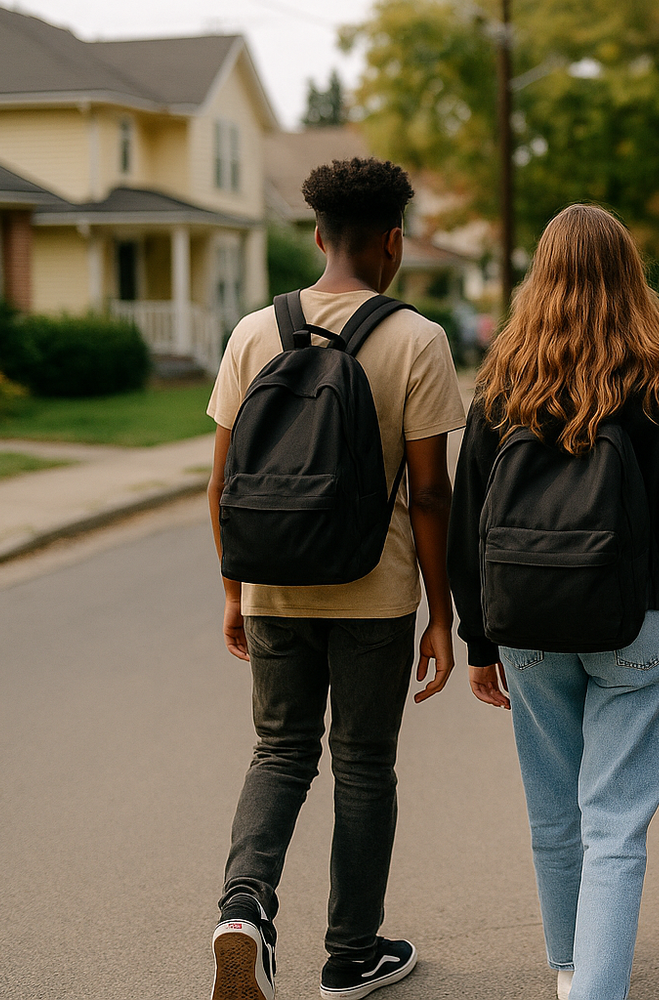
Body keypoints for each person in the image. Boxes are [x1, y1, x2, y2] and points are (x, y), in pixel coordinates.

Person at [449, 204, 659, 1000]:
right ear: (628, 277)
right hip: (636, 629)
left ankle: (571, 970)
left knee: (554, 815)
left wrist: (479, 638)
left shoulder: (503, 383)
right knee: (615, 824)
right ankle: (594, 992)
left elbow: (470, 518)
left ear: (540, 279)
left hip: (529, 629)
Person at [205, 157, 466, 1000]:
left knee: (279, 752)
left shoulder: (253, 332)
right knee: (362, 765)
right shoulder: (417, 339)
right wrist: (441, 613)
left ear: (318, 236)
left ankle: (243, 910)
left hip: (274, 583)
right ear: (394, 242)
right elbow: (431, 491)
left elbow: (221, 481)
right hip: (374, 592)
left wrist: (232, 591)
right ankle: (351, 953)